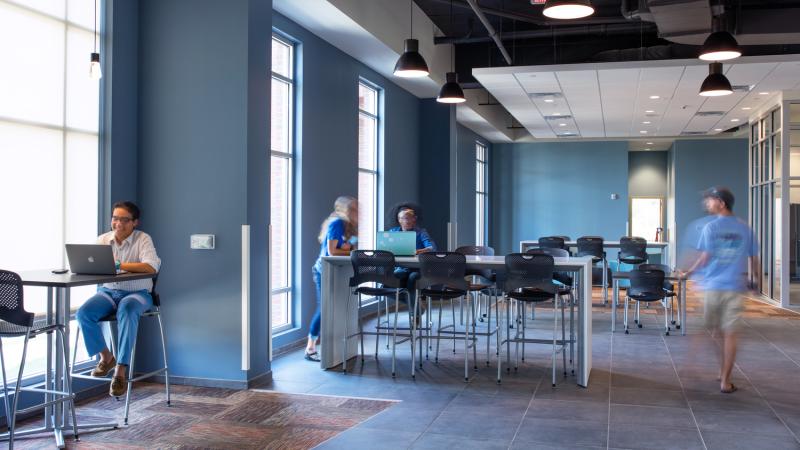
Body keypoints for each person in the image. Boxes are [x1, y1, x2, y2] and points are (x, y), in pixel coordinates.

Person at [76, 201, 161, 397]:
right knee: (83, 314)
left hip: (138, 294)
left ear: (135, 222)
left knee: (128, 309)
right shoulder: (102, 240)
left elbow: (150, 267)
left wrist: (118, 264)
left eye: (124, 220)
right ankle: (106, 357)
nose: (118, 224)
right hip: (108, 293)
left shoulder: (143, 239)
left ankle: (120, 369)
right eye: (115, 218)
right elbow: (93, 267)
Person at [684, 187, 759, 394]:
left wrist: (688, 273)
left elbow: (704, 257)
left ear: (721, 203)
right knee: (729, 334)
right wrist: (756, 281)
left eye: (710, 200)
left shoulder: (711, 227)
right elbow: (754, 258)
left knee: (711, 331)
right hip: (735, 287)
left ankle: (700, 368)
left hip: (713, 287)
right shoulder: (746, 228)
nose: (707, 204)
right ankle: (725, 379)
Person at [305, 196, 358, 362]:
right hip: (324, 271)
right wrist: (350, 250)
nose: (357, 212)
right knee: (325, 307)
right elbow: (332, 251)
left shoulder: (351, 227)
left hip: (339, 270)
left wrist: (350, 249)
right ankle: (310, 348)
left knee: (337, 306)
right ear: (345, 210)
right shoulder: (336, 224)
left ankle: (337, 347)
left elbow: (353, 247)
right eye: (354, 209)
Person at [387, 203, 437, 321]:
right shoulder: (393, 232)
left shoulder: (421, 232)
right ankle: (416, 307)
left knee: (413, 278)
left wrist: (417, 251)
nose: (408, 220)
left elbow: (432, 248)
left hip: (418, 269)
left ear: (415, 220)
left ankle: (414, 314)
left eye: (411, 217)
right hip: (401, 268)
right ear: (399, 220)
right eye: (405, 218)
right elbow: (386, 248)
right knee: (386, 283)